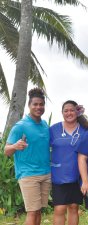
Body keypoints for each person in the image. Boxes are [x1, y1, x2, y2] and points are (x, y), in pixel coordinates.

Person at [4, 88, 50, 225]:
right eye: (35, 104)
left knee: (38, 211)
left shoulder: (44, 125)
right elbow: (6, 150)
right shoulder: (20, 126)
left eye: (41, 104)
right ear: (29, 106)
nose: (38, 107)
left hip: (46, 173)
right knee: (32, 212)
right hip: (28, 174)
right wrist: (14, 146)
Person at [50, 100, 88, 225]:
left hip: (78, 176)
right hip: (59, 175)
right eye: (66, 110)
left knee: (74, 207)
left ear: (77, 112)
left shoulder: (85, 129)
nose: (69, 113)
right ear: (62, 113)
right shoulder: (54, 130)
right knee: (59, 208)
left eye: (72, 110)